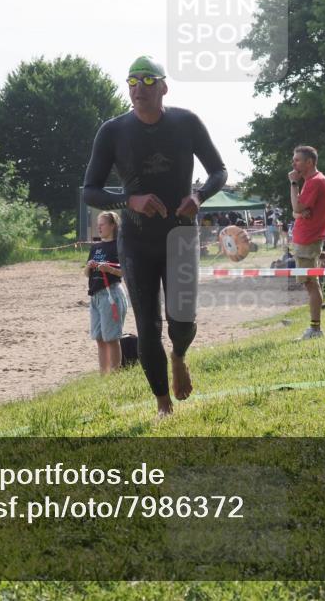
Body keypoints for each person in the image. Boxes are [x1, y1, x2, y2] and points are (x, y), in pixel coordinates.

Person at [83, 56, 227, 417]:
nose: (137, 88)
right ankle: (163, 404)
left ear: (164, 87)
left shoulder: (186, 122)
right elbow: (91, 190)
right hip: (136, 241)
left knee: (182, 320)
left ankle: (179, 355)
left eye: (147, 81)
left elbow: (219, 170)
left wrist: (198, 197)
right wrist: (129, 200)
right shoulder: (113, 131)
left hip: (180, 236)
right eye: (132, 80)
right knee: (147, 327)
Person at [288, 145, 325, 340]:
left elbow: (296, 206)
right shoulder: (313, 181)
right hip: (306, 240)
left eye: (297, 160)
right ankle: (315, 329)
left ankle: (315, 329)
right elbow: (296, 211)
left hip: (308, 241)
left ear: (309, 162)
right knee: (311, 284)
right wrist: (298, 211)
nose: (294, 163)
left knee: (311, 285)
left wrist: (293, 184)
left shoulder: (314, 182)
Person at [85, 211, 128, 374]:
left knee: (111, 338)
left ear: (112, 226)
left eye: (102, 224)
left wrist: (109, 269)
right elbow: (86, 274)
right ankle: (104, 374)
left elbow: (125, 271)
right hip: (95, 296)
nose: (99, 227)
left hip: (111, 294)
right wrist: (89, 266)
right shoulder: (95, 247)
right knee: (99, 338)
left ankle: (115, 374)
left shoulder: (119, 246)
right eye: (98, 224)